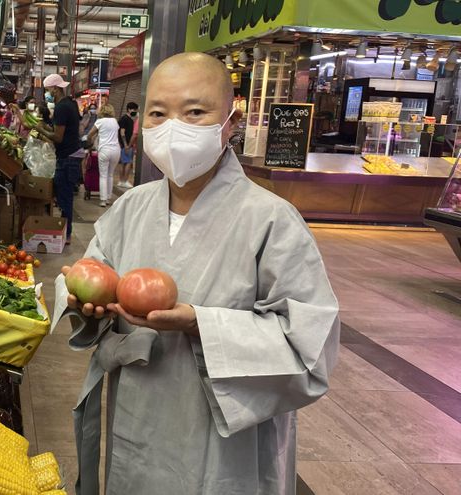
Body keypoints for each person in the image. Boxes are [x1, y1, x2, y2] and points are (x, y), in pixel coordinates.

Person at [53, 52, 340, 494]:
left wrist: (201, 324)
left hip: (226, 443)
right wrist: (88, 306)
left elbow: (310, 351)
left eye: (194, 112)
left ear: (231, 120)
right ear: (142, 123)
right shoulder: (130, 208)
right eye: (158, 113)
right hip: (139, 414)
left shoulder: (271, 220)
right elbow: (95, 276)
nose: (174, 127)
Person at [37, 73, 83, 243]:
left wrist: (41, 129)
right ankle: (65, 231)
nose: (46, 94)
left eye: (48, 90)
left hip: (68, 157)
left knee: (65, 197)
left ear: (55, 89)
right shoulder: (70, 104)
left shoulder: (62, 107)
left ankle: (66, 234)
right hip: (72, 154)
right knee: (64, 195)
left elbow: (58, 137)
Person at [86, 103, 121, 207]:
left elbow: (90, 134)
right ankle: (109, 198)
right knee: (110, 175)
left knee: (103, 175)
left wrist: (89, 141)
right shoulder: (115, 121)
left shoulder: (100, 121)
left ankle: (102, 200)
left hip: (104, 150)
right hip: (116, 150)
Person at [117, 102, 138, 188]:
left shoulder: (129, 119)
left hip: (126, 145)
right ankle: (124, 180)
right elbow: (122, 132)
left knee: (124, 162)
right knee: (128, 162)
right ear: (129, 109)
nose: (136, 111)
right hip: (126, 145)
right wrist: (126, 145)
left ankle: (121, 181)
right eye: (134, 110)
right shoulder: (125, 119)